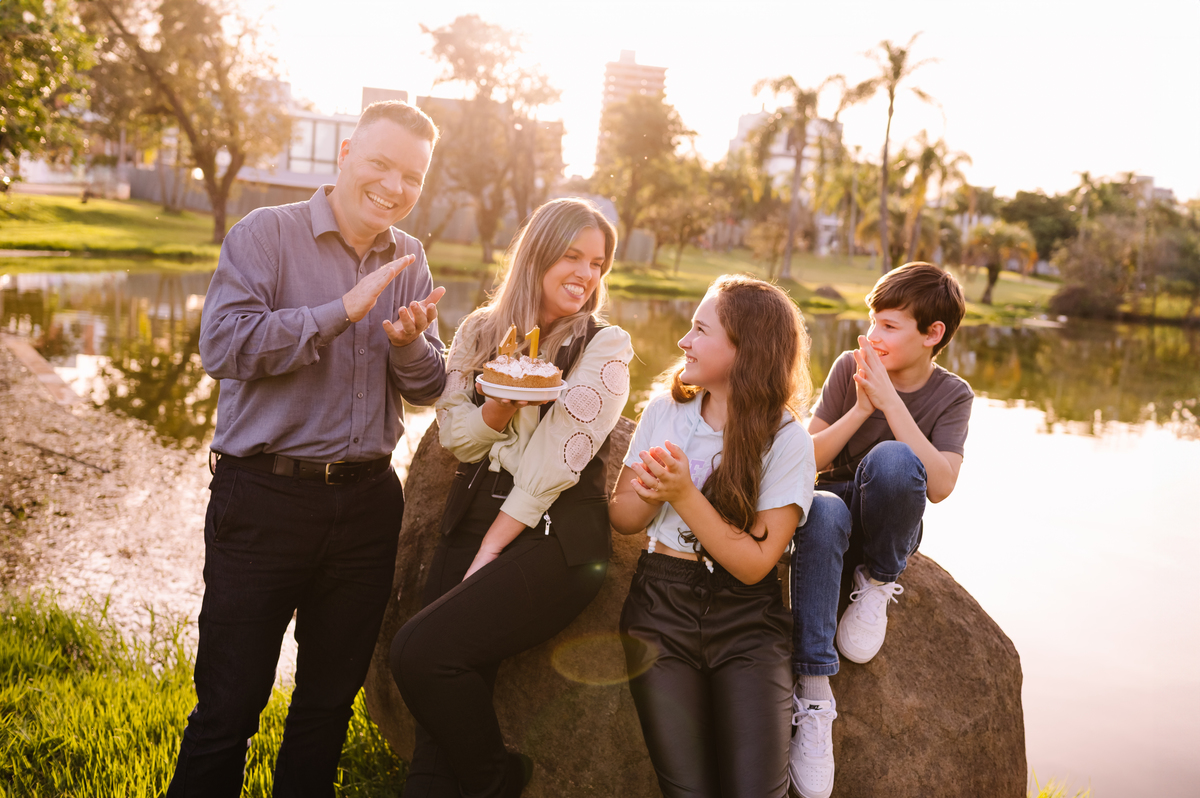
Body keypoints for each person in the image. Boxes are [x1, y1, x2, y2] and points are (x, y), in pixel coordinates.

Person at [169, 100, 447, 798]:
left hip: (367, 506)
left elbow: (428, 388)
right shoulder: (266, 234)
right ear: (346, 153)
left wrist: (409, 345)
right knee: (228, 711)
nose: (394, 186)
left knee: (325, 711)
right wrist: (339, 313)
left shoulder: (410, 260)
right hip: (263, 499)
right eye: (380, 163)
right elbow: (222, 347)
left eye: (412, 176)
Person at [388, 198, 634, 798]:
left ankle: (498, 779)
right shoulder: (479, 330)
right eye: (572, 256)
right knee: (433, 740)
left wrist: (489, 551)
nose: (586, 274)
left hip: (555, 538)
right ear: (538, 253)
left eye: (597, 263)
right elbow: (459, 438)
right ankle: (482, 783)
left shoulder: (606, 346)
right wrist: (498, 405)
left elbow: (554, 462)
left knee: (420, 654)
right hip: (471, 514)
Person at [609, 275, 816, 798]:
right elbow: (623, 516)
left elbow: (755, 563)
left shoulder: (788, 439)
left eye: (701, 330)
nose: (684, 341)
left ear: (747, 350)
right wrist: (655, 491)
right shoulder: (664, 411)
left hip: (748, 621)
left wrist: (683, 493)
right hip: (660, 608)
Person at [787, 261, 973, 798]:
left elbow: (940, 485)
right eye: (873, 321)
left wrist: (890, 404)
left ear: (932, 334)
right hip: (834, 513)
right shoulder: (851, 367)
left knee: (895, 458)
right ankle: (814, 694)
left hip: (889, 522)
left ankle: (876, 581)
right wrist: (860, 408)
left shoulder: (953, 395)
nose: (873, 335)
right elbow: (803, 460)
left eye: (889, 326)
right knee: (823, 509)